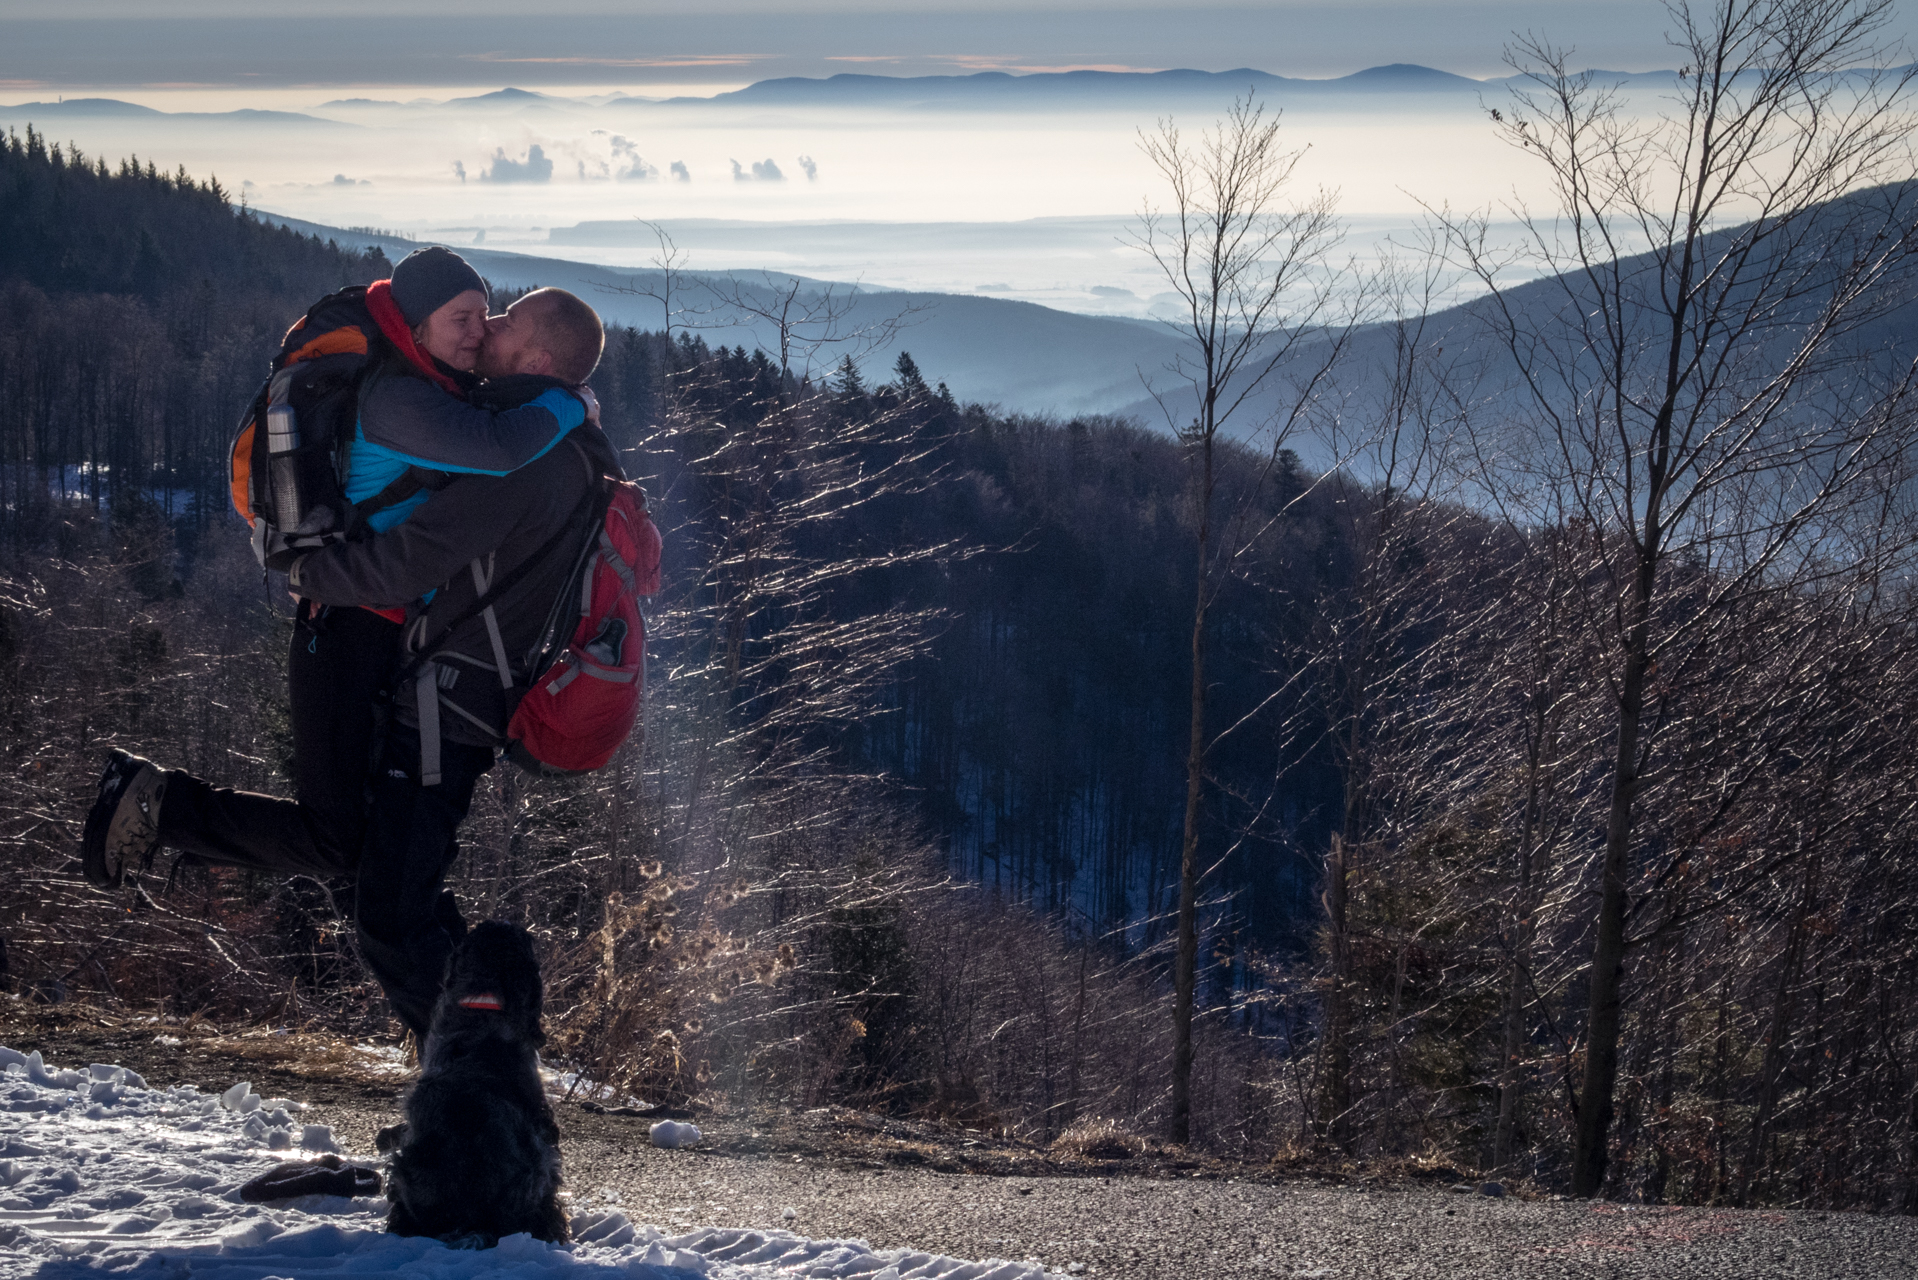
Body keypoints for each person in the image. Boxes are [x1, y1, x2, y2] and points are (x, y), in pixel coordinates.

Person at [80, 256, 608, 1034]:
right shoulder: (409, 399)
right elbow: (470, 482)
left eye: (494, 319)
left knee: (369, 867)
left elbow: (480, 477)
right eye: (466, 318)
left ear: (532, 356)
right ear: (416, 322)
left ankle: (471, 1058)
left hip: (375, 627)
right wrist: (326, 574)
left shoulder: (465, 405)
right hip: (348, 617)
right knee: (349, 851)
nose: (483, 330)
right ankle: (157, 806)